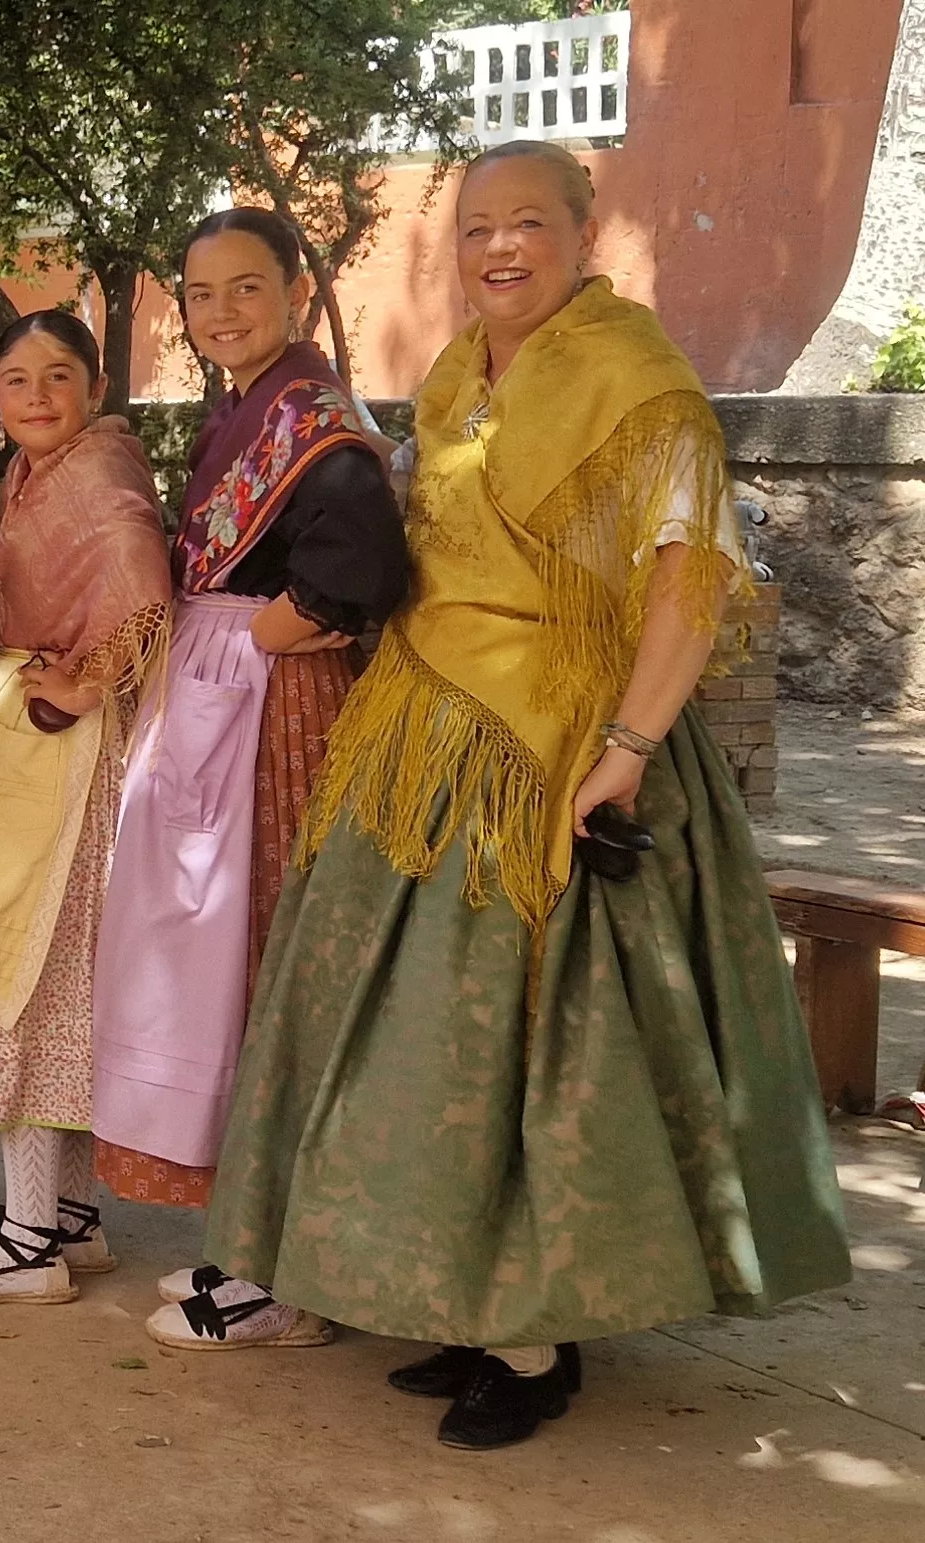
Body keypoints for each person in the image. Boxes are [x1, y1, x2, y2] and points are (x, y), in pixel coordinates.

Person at [203, 140, 852, 1448]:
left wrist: (623, 744)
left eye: (526, 225)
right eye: (476, 229)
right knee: (404, 1036)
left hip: (559, 745)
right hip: (420, 730)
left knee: (519, 1037)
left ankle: (531, 1337)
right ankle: (458, 1298)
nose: (498, 248)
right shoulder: (454, 375)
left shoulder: (634, 378)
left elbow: (685, 574)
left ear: (580, 229)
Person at [90, 208, 412, 1353]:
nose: (220, 310)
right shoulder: (246, 411)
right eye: (200, 292)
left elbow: (358, 566)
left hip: (272, 718)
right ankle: (247, 1245)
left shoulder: (312, 421)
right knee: (209, 962)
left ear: (292, 290)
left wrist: (258, 638)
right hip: (227, 698)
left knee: (262, 956)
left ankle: (283, 1275)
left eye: (244, 288)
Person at [0, 311, 170, 1307]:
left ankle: (25, 1241)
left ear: (92, 388)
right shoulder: (31, 475)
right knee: (42, 974)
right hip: (32, 738)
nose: (36, 395)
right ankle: (69, 1218)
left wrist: (89, 679)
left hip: (60, 751)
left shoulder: (97, 473)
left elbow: (140, 584)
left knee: (25, 978)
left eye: (58, 376)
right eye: (16, 380)